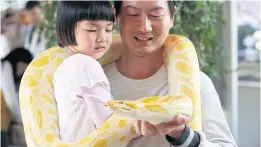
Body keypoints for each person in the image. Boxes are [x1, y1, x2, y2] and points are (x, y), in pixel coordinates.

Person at [102, 0, 238, 146]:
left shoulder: (198, 82)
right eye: (133, 14)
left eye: (156, 15)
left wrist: (183, 135)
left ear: (172, 17)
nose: (144, 27)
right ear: (115, 15)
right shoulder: (90, 81)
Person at [53, 1, 115, 141]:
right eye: (92, 30)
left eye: (108, 29)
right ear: (67, 29)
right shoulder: (85, 65)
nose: (102, 38)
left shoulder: (64, 66)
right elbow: (109, 124)